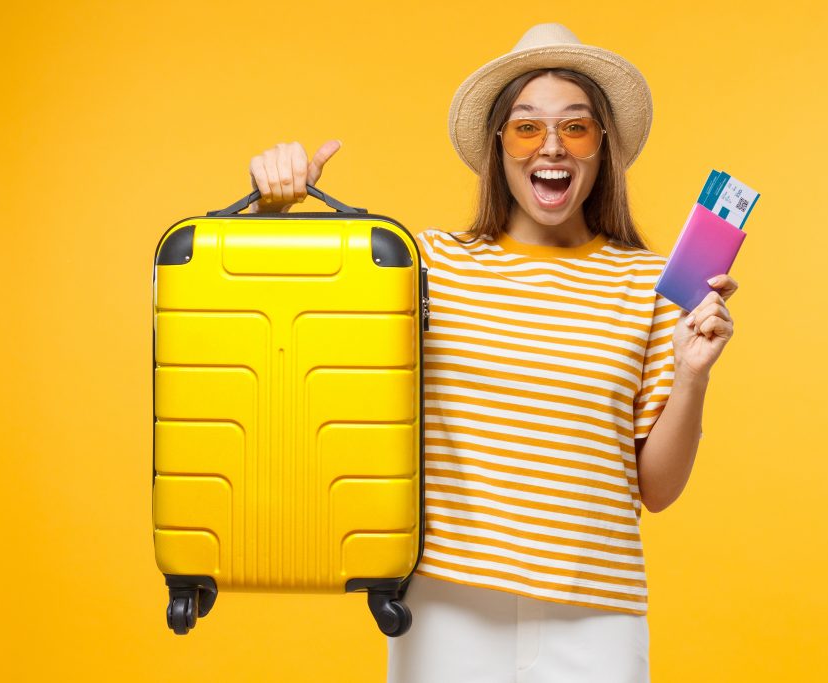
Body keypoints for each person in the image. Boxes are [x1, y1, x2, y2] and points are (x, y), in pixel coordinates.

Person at [247, 22, 738, 683]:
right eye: (526, 127)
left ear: (601, 150)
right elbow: (294, 336)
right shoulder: (428, 262)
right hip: (446, 608)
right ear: (498, 146)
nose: (552, 147)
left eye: (577, 127)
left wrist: (693, 374)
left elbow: (657, 488)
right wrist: (269, 211)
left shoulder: (648, 284)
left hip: (597, 617)